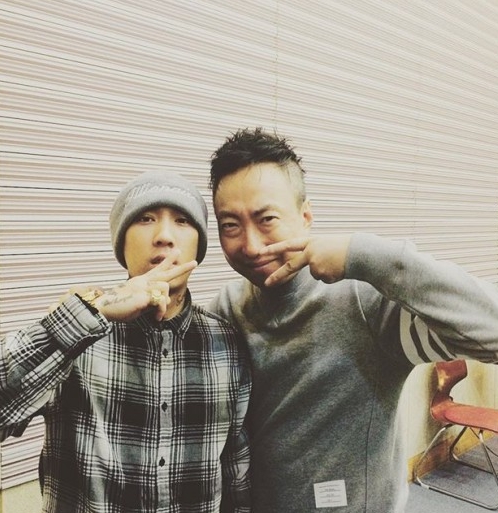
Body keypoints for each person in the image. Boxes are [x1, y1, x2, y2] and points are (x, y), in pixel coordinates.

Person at [207, 127, 498, 513]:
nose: (251, 245)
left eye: (267, 219)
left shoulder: (365, 304)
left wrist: (363, 255)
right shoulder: (227, 310)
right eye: (230, 225)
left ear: (305, 216)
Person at [0, 171, 251, 513]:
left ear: (199, 244)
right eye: (145, 219)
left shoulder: (226, 343)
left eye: (182, 220)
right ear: (121, 242)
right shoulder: (78, 332)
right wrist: (93, 312)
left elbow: (237, 475)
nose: (164, 236)